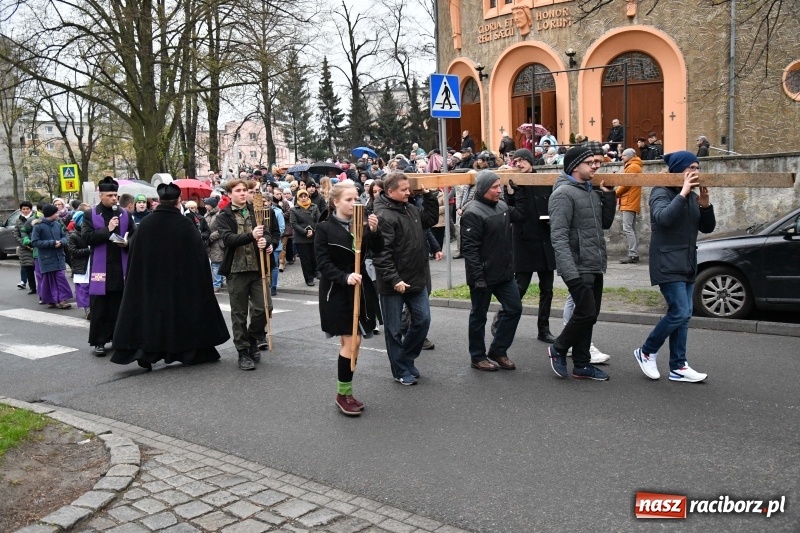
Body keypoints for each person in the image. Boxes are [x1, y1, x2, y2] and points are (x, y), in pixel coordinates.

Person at [110, 183, 230, 370]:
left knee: (151, 317)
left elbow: (135, 256)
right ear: (178, 201)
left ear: (158, 201)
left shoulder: (146, 224)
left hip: (151, 285)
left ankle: (146, 352)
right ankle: (187, 351)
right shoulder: (185, 225)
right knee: (180, 317)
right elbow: (199, 258)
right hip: (180, 285)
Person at [633, 151, 715, 383]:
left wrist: (705, 206)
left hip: (687, 261)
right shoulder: (661, 190)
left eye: (697, 168)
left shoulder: (689, 194)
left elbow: (707, 228)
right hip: (667, 262)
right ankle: (646, 351)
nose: (695, 172)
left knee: (684, 315)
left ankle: (678, 366)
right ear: (677, 170)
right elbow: (663, 219)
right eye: (690, 168)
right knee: (679, 311)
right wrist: (683, 193)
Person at [547, 146, 616, 381]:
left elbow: (605, 223)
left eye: (596, 162)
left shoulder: (590, 191)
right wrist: (570, 272)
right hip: (577, 266)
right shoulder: (563, 194)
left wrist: (609, 196)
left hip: (594, 262)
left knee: (591, 314)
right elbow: (558, 236)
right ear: (575, 166)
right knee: (585, 312)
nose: (596, 165)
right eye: (590, 162)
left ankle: (582, 364)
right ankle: (558, 347)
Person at [315, 183, 383, 415]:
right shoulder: (324, 228)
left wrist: (374, 232)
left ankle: (345, 392)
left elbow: (378, 250)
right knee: (351, 343)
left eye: (356, 198)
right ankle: (343, 394)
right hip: (336, 291)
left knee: (354, 343)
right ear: (335, 202)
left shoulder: (361, 224)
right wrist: (344, 277)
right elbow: (323, 264)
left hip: (360, 289)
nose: (354, 203)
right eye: (348, 199)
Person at [372, 172, 439, 385]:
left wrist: (428, 196)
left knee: (422, 320)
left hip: (416, 278)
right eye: (404, 189)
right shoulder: (384, 215)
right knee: (393, 330)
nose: (408, 192)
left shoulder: (409, 208)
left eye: (408, 188)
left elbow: (430, 219)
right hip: (394, 283)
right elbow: (382, 254)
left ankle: (407, 358)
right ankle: (400, 370)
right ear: (390, 191)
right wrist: (394, 280)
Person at [461, 170, 527, 371]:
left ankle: (498, 350)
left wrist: (518, 194)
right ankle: (477, 356)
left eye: (500, 186)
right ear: (482, 189)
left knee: (514, 308)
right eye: (495, 187)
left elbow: (521, 215)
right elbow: (469, 250)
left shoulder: (503, 206)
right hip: (482, 276)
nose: (499, 190)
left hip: (504, 274)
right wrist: (478, 278)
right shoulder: (472, 212)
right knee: (479, 316)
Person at [493, 148, 557, 343]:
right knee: (519, 287)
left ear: (531, 162)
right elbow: (512, 211)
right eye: (515, 161)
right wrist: (511, 192)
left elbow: (553, 205)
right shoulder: (513, 183)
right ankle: (501, 319)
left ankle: (543, 329)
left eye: (522, 160)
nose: (518, 164)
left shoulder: (543, 182)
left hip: (545, 242)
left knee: (547, 289)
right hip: (524, 243)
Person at [217, 179, 281, 370]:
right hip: (236, 270)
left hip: (258, 267)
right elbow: (227, 239)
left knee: (265, 307)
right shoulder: (224, 215)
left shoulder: (256, 211)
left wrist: (267, 243)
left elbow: (268, 233)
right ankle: (243, 351)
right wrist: (251, 236)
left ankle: (253, 338)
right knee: (239, 313)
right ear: (230, 194)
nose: (243, 193)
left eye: (245, 190)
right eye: (238, 190)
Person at [82, 177, 135, 356]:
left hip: (121, 266)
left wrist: (127, 243)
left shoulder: (125, 214)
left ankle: (120, 339)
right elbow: (86, 238)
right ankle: (99, 341)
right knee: (101, 306)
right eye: (110, 195)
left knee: (120, 304)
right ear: (100, 195)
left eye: (116, 195)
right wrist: (108, 230)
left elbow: (135, 236)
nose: (114, 199)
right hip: (101, 266)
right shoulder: (91, 214)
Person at [31, 204, 73, 309]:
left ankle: (62, 300)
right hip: (46, 258)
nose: (58, 214)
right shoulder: (38, 226)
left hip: (59, 256)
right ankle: (51, 300)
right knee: (49, 279)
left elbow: (64, 236)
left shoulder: (57, 225)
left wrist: (62, 242)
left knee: (60, 277)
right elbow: (35, 242)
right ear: (51, 214)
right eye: (56, 212)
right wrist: (52, 243)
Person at [290, 188, 321, 286]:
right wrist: (304, 232)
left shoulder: (314, 207)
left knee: (314, 256)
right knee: (305, 259)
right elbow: (293, 223)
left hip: (313, 236)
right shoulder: (294, 209)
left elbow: (319, 220)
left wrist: (314, 231)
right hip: (301, 238)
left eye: (305, 196)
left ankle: (316, 272)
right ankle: (308, 278)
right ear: (298, 198)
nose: (303, 198)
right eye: (301, 196)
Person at [618, 148, 643, 264]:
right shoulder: (632, 166)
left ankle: (633, 254)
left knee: (627, 228)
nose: (621, 157)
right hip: (631, 201)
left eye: (623, 155)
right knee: (631, 229)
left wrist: (614, 193)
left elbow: (625, 184)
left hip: (629, 201)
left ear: (629, 156)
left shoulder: (632, 167)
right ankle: (634, 254)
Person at [67, 223, 92, 318]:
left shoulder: (93, 233)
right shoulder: (74, 236)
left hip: (93, 264)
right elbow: (73, 251)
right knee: (83, 288)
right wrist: (89, 250)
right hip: (81, 266)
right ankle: (87, 309)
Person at [204, 196, 225, 293]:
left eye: (207, 204)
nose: (205, 206)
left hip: (217, 242)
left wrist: (210, 237)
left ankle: (217, 284)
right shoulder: (206, 215)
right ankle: (219, 282)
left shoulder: (219, 215)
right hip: (209, 243)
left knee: (216, 264)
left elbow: (220, 229)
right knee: (214, 264)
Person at [14, 201, 34, 291]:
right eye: (23, 209)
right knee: (27, 267)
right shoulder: (18, 220)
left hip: (36, 246)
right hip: (24, 249)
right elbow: (16, 235)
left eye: (27, 209)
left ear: (30, 209)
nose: (25, 211)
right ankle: (30, 286)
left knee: (38, 269)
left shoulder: (35, 218)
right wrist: (24, 244)